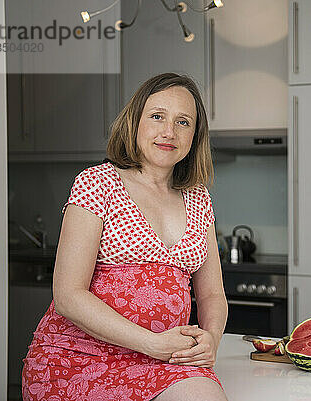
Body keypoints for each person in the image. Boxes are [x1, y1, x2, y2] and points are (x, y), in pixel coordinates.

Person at [22, 73, 229, 401]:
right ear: (135, 122)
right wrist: (152, 343)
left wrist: (212, 338)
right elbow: (68, 295)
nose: (168, 132)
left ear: (195, 135)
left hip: (165, 358)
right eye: (157, 116)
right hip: (78, 358)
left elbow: (212, 294)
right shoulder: (96, 184)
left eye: (183, 122)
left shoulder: (198, 197)